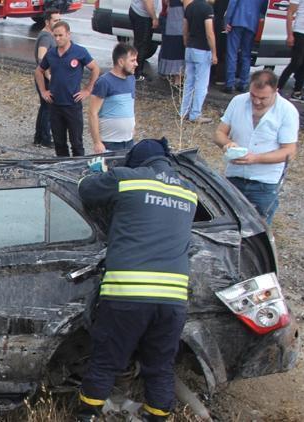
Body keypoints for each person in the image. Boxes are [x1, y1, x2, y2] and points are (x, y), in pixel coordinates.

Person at [76, 139, 197, 422]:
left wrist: (97, 172)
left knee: (107, 361)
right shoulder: (189, 193)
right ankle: (156, 417)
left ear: (137, 161)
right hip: (173, 300)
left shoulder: (126, 179)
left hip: (126, 295)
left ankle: (86, 416)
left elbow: (86, 189)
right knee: (160, 366)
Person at [214, 70, 299, 224]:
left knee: (258, 229)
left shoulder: (287, 111)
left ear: (276, 91)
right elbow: (219, 132)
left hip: (265, 183)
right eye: (253, 95)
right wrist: (227, 144)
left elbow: (289, 151)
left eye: (263, 98)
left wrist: (256, 158)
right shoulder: (238, 101)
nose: (257, 101)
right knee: (229, 223)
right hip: (234, 176)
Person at [35, 21, 100, 157]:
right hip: (55, 105)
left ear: (68, 34)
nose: (58, 39)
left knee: (76, 142)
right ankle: (62, 166)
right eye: (55, 36)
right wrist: (43, 91)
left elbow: (95, 68)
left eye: (61, 35)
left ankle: (77, 169)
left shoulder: (79, 52)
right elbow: (39, 71)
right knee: (59, 142)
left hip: (72, 105)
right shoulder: (51, 53)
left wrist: (88, 90)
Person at [89, 43, 138, 154]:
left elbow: (129, 105)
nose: (136, 64)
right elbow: (92, 113)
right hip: (109, 143)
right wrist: (97, 142)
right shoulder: (104, 82)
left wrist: (132, 126)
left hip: (128, 142)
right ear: (121, 62)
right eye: (132, 60)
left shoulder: (131, 79)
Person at [180, 0, 217, 123]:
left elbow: (185, 28)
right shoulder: (207, 9)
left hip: (190, 48)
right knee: (201, 84)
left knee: (188, 83)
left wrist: (186, 42)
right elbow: (209, 33)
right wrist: (214, 53)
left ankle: (183, 112)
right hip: (202, 50)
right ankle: (195, 114)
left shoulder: (189, 7)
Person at [223, 0, 268, 94]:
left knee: (232, 53)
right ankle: (243, 83)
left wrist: (227, 21)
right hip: (252, 23)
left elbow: (232, 4)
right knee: (246, 55)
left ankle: (229, 84)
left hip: (237, 20)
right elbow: (264, 9)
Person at [33, 10, 60, 147]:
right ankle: (45, 139)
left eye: (59, 20)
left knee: (45, 107)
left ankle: (39, 137)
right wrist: (49, 75)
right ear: (47, 22)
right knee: (48, 108)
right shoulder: (45, 37)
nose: (58, 23)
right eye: (55, 20)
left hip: (46, 77)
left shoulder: (50, 35)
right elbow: (41, 57)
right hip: (45, 78)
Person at [278, 0, 304, 101]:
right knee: (296, 62)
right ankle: (277, 88)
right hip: (299, 31)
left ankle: (297, 92)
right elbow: (290, 12)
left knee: (303, 64)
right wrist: (289, 34)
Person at [158, 0, 189, 84]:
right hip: (178, 25)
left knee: (172, 48)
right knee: (178, 49)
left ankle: (175, 78)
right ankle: (178, 80)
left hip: (172, 23)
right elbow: (188, 10)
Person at [129, 0, 161, 81]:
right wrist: (154, 18)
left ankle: (136, 71)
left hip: (137, 11)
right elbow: (148, 2)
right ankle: (137, 73)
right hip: (142, 15)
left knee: (139, 44)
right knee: (142, 45)